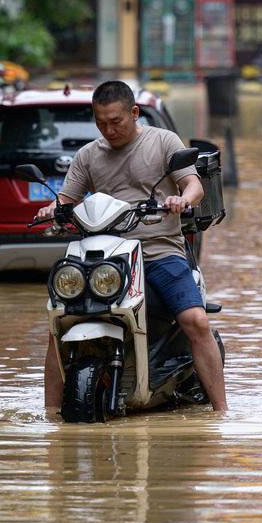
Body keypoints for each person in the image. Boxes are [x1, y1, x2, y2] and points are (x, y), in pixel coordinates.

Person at [33, 80, 228, 412]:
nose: (108, 130)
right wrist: (53, 209)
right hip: (105, 259)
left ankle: (222, 413)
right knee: (59, 324)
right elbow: (66, 200)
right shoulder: (88, 155)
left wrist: (182, 199)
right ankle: (51, 417)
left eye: (116, 121)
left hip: (159, 252)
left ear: (134, 113)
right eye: (101, 123)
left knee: (196, 321)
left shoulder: (163, 141)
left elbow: (193, 184)